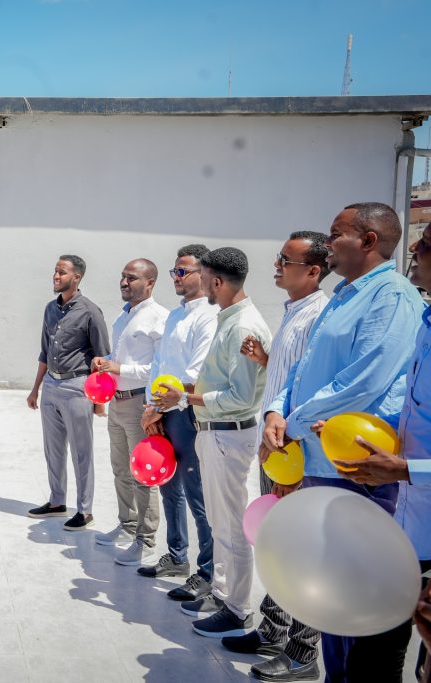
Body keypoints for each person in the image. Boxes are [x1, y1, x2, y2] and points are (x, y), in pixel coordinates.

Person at [263, 203, 425, 682]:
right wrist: (278, 408)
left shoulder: (391, 296)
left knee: (358, 605)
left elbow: (365, 380)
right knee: (333, 594)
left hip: (357, 468)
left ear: (369, 241)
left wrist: (293, 421)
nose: (328, 242)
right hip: (319, 461)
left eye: (337, 234)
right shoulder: (342, 295)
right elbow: (304, 367)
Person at [221, 232, 330, 681]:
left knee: (301, 551)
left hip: (294, 451)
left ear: (313, 271)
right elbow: (289, 378)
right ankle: (273, 629)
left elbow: (312, 390)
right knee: (279, 546)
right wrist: (268, 361)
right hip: (276, 446)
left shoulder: (318, 316)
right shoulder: (293, 313)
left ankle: (304, 653)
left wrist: (292, 450)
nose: (277, 264)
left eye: (287, 259)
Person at [153, 247, 271, 639]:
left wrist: (187, 398)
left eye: (202, 278)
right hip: (215, 432)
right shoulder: (228, 319)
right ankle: (222, 596)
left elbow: (239, 396)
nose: (198, 285)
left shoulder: (242, 326)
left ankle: (237, 609)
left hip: (229, 432)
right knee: (222, 524)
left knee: (233, 528)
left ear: (217, 281)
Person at [138, 245, 218, 602]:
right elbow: (158, 365)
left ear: (203, 273)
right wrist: (150, 406)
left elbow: (195, 372)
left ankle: (207, 571)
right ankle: (176, 555)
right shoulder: (174, 316)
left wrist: (162, 404)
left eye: (183, 271)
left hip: (187, 412)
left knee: (197, 493)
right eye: (174, 271)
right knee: (168, 484)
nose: (177, 278)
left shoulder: (209, 316)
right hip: (162, 410)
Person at [91, 259, 168, 565]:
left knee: (143, 473)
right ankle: (127, 524)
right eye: (122, 277)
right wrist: (105, 360)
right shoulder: (123, 317)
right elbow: (117, 357)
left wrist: (119, 367)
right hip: (117, 400)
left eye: (132, 278)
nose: (124, 283)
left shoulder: (159, 318)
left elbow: (158, 368)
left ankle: (146, 540)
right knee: (120, 468)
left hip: (139, 403)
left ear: (150, 283)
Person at [26, 255, 110, 531]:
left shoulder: (90, 312)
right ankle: (57, 501)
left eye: (62, 272)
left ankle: (84, 510)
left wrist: (99, 402)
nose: (56, 276)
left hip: (77, 388)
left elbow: (101, 357)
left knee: (81, 452)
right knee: (53, 449)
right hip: (51, 385)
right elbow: (44, 352)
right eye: (55, 271)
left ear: (77, 277)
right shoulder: (50, 309)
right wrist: (35, 389)